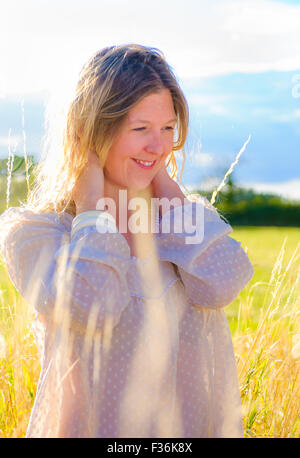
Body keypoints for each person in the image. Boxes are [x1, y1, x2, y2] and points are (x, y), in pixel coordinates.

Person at [0, 44, 254, 438]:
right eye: (141, 129)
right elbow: (93, 304)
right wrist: (91, 211)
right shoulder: (40, 235)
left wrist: (167, 188)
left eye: (168, 129)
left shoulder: (180, 224)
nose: (159, 147)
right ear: (89, 133)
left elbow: (223, 282)